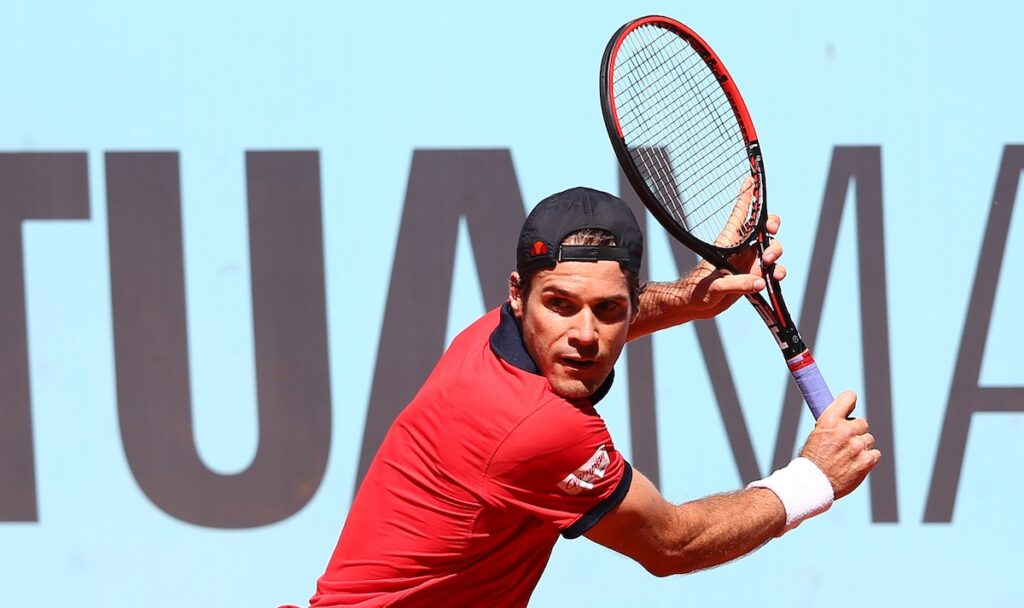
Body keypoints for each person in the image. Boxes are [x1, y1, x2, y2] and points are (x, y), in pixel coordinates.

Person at [303, 186, 880, 607]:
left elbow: (588, 314)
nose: (584, 334)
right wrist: (813, 479)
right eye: (560, 305)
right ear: (518, 295)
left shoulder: (488, 338)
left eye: (608, 310)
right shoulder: (537, 426)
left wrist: (691, 296)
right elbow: (673, 545)